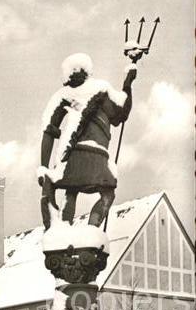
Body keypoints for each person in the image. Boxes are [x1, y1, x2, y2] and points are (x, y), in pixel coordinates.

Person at [38, 53, 137, 230]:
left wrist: (44, 167)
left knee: (71, 191)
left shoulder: (63, 95)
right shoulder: (101, 89)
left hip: (72, 158)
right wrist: (128, 83)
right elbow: (121, 113)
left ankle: (63, 230)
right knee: (107, 194)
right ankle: (92, 230)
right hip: (97, 158)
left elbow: (49, 131)